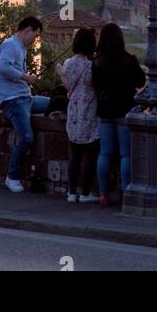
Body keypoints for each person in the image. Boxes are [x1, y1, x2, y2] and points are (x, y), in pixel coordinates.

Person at [92, 22, 146, 205]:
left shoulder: (97, 61)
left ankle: (103, 194)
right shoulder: (129, 59)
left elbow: (95, 85)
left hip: (105, 111)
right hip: (124, 110)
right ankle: (125, 192)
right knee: (125, 155)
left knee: (105, 153)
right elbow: (140, 82)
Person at [0, 16, 51, 193]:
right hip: (13, 100)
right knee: (26, 137)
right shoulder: (11, 45)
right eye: (35, 36)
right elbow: (3, 69)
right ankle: (12, 177)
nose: (35, 41)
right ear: (27, 30)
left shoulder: (20, 47)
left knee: (54, 103)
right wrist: (26, 77)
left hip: (24, 98)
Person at [60, 26, 100, 203]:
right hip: (90, 111)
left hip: (74, 111)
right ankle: (85, 193)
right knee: (90, 155)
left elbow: (68, 86)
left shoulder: (68, 63)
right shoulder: (93, 66)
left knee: (74, 155)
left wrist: (60, 74)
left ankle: (71, 192)